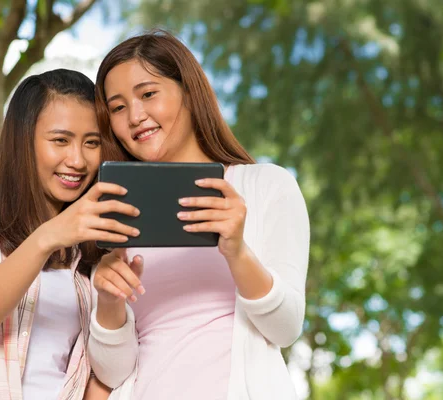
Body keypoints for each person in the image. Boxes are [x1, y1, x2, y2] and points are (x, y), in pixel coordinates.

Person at [88, 30, 310, 399]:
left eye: (148, 94)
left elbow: (285, 328)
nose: (135, 116)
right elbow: (113, 373)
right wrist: (109, 301)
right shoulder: (117, 215)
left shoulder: (265, 186)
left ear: (189, 92)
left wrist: (237, 252)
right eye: (118, 107)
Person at [0, 69, 140, 400]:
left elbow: (107, 376)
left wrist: (109, 299)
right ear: (24, 140)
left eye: (91, 143)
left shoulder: (91, 253)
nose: (77, 160)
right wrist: (49, 235)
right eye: (60, 140)